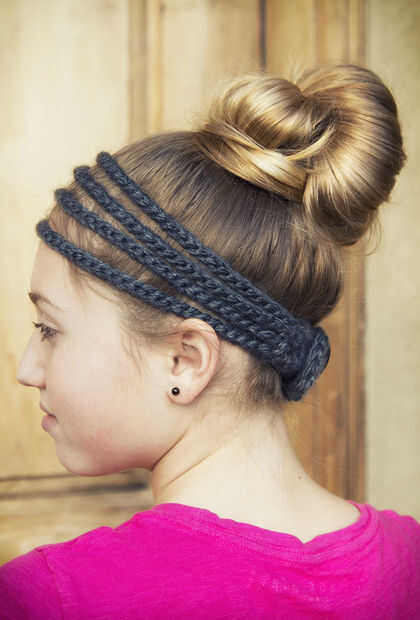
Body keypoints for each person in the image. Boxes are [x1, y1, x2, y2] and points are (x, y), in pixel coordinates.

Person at [0, 64, 419, 619]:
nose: (27, 370)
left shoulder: (49, 599)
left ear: (185, 359)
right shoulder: (408, 561)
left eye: (50, 329)